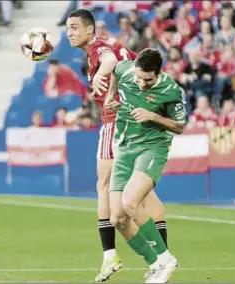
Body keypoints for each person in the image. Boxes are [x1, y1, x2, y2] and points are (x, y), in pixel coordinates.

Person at [66, 9, 169, 282]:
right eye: (68, 28)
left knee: (105, 187)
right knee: (143, 194)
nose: (70, 32)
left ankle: (113, 254)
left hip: (118, 122)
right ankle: (162, 258)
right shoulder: (109, 44)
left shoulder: (100, 47)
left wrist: (101, 73)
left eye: (75, 27)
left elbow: (109, 60)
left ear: (90, 29)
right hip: (140, 121)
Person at [104, 48, 184, 283]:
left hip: (152, 147)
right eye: (138, 77)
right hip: (124, 147)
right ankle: (155, 264)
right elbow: (115, 71)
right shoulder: (127, 70)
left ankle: (166, 258)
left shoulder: (171, 90)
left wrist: (154, 116)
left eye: (147, 80)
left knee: (131, 202)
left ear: (158, 74)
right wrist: (111, 96)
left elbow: (179, 126)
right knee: (117, 219)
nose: (140, 83)